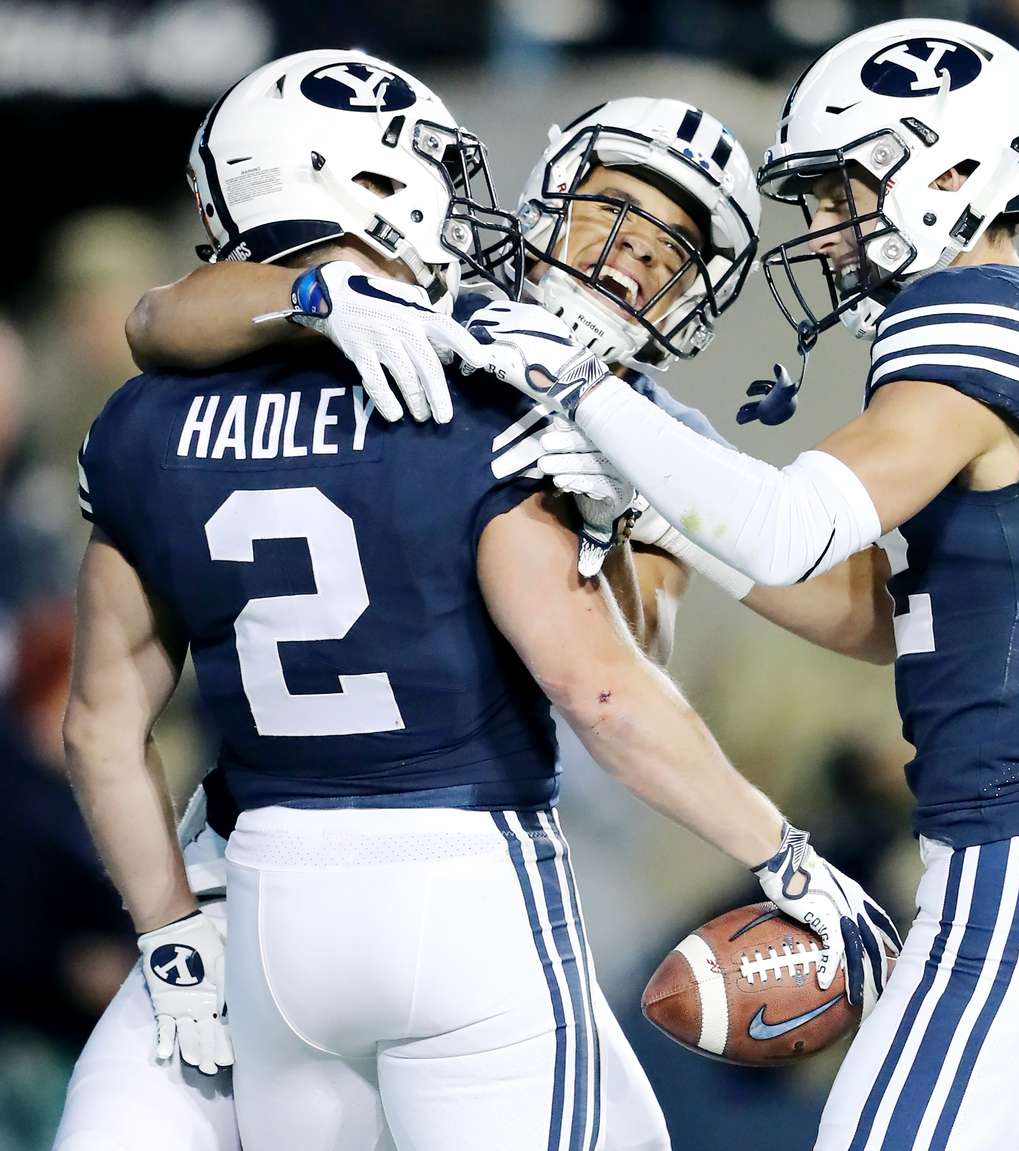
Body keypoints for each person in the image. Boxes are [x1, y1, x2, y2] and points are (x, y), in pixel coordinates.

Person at [61, 50, 896, 1151]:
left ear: (699, 296)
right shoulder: (439, 321)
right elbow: (166, 315)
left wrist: (615, 520)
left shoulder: (648, 436)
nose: (630, 256)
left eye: (671, 248)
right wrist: (319, 290)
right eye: (612, 211)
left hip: (306, 872)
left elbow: (645, 658)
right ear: (545, 198)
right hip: (343, 868)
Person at [455, 17, 1019, 1151]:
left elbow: (787, 527)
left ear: (947, 170)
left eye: (842, 190)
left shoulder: (975, 314)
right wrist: (660, 492)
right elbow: (879, 609)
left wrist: (587, 387)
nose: (823, 229)